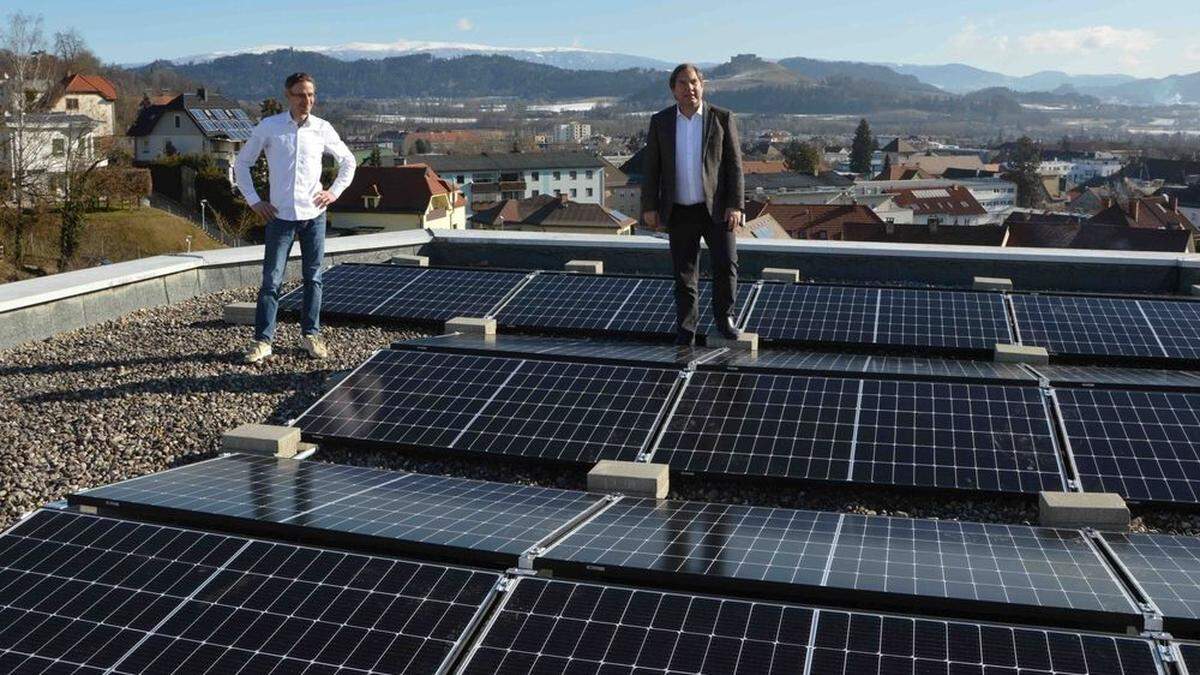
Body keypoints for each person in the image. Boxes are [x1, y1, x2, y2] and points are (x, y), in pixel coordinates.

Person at [233, 72, 356, 364]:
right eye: (301, 94)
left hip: (314, 215)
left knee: (313, 278)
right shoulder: (270, 127)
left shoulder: (322, 128)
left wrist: (334, 192)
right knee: (271, 281)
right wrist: (254, 201)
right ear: (288, 96)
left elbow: (348, 161)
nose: (307, 100)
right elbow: (242, 163)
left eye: (311, 95)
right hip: (280, 216)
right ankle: (263, 341)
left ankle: (311, 335)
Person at [641, 63, 745, 346]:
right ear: (674, 90)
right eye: (684, 84)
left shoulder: (721, 118)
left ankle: (725, 320)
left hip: (717, 210)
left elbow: (735, 165)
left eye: (695, 82)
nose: (690, 88)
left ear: (703, 85)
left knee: (726, 265)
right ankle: (686, 330)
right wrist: (649, 206)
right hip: (680, 211)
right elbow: (652, 169)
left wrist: (736, 205)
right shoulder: (661, 122)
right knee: (684, 274)